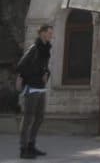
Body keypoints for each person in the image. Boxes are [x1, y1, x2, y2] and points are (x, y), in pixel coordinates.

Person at [16, 24, 53, 159]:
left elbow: (44, 67)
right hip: (31, 87)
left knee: (40, 117)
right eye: (49, 33)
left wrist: (46, 73)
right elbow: (21, 65)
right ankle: (23, 148)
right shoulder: (34, 48)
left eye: (51, 33)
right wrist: (24, 78)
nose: (51, 35)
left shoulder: (46, 49)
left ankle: (31, 145)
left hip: (41, 87)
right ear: (42, 33)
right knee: (28, 118)